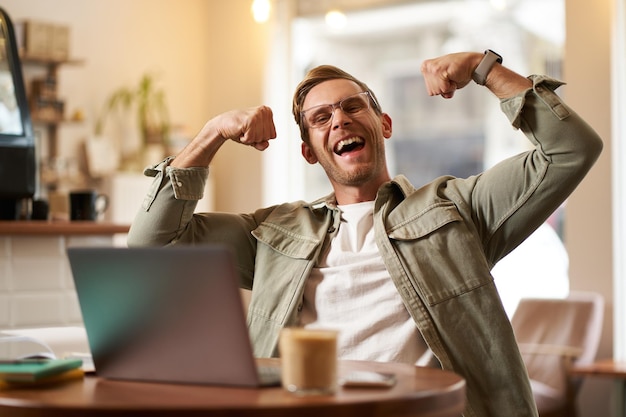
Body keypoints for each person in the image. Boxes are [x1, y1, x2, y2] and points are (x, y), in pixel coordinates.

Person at [127, 51, 603, 417]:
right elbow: (152, 243)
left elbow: (571, 150)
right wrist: (212, 133)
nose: (340, 119)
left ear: (384, 124)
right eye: (321, 118)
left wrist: (484, 67)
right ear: (310, 152)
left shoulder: (459, 209)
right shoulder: (270, 233)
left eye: (353, 106)